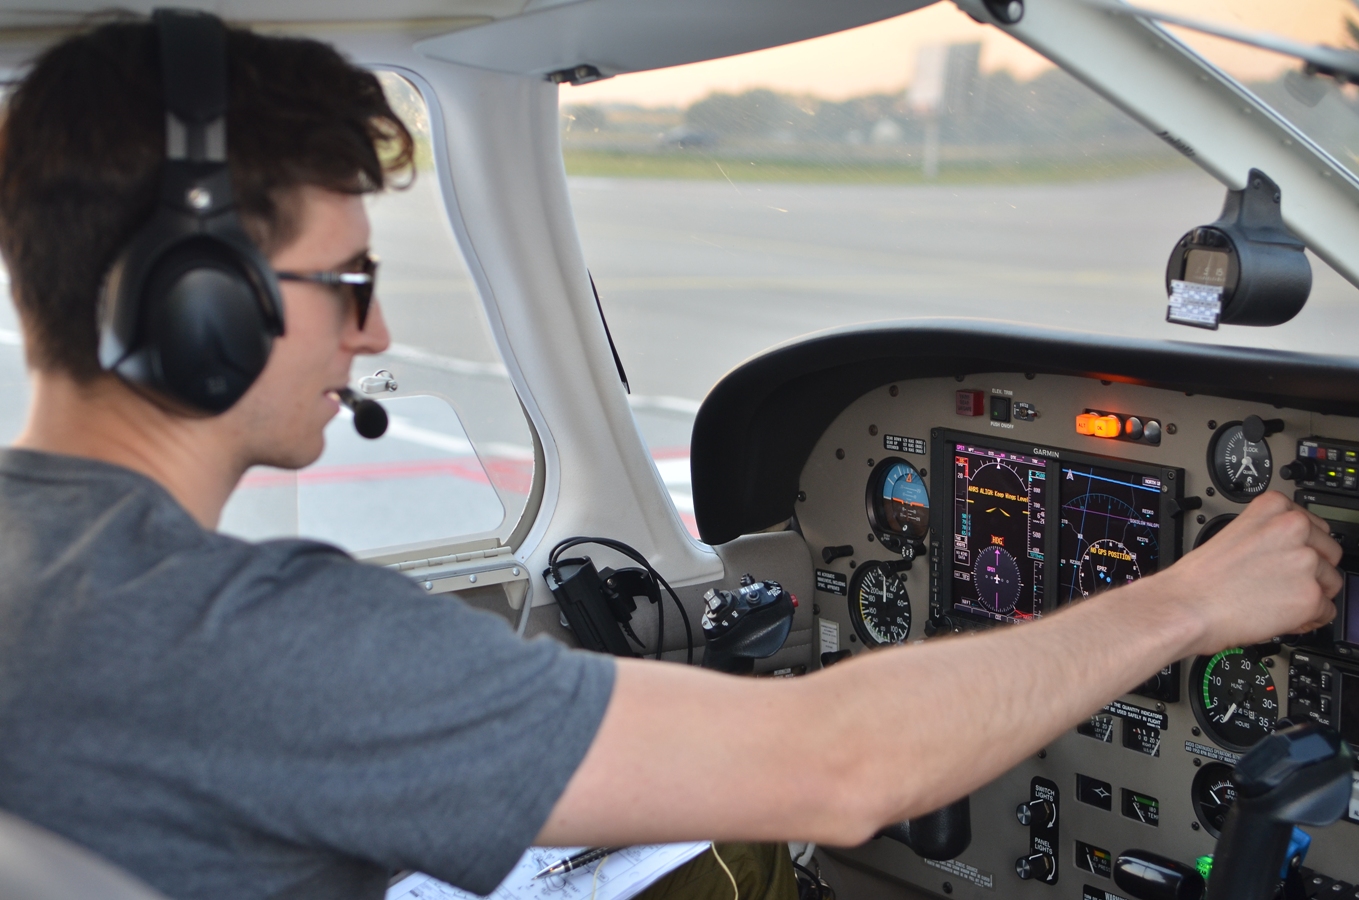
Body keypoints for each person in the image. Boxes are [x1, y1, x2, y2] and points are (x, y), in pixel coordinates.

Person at [0, 13, 1341, 900]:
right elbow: (843, 766)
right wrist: (1195, 601)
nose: (379, 330)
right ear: (201, 305)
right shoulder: (252, 638)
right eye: (348, 281)